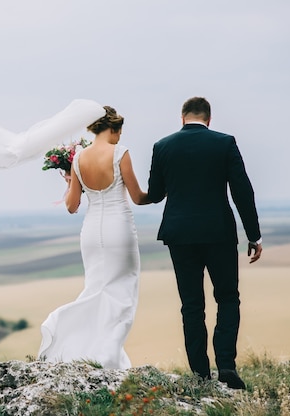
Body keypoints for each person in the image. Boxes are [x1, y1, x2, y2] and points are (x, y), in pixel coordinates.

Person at [147, 97, 262, 389]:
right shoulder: (224, 143)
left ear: (182, 118)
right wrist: (253, 235)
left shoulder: (162, 147)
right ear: (209, 119)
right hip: (218, 233)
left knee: (191, 305)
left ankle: (200, 373)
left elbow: (156, 193)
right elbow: (242, 191)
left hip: (180, 235)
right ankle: (226, 365)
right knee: (227, 297)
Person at [38, 106, 150, 369]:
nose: (120, 137)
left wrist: (69, 182)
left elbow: (72, 206)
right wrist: (163, 191)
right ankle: (107, 356)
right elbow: (138, 197)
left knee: (96, 288)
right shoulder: (120, 153)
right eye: (119, 132)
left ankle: (81, 347)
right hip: (118, 229)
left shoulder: (78, 159)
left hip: (90, 232)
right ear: (113, 128)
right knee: (122, 292)